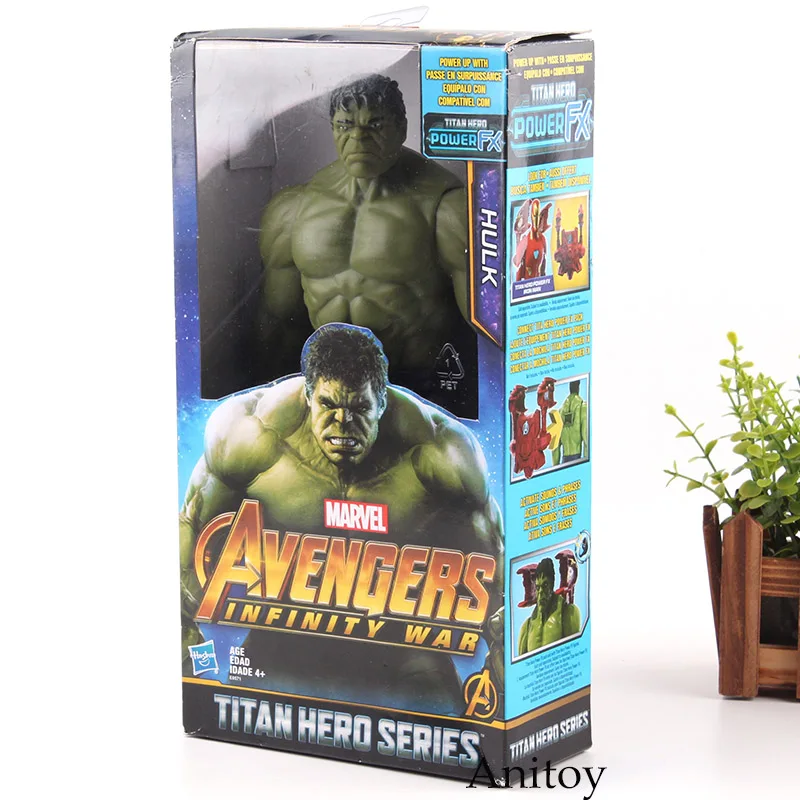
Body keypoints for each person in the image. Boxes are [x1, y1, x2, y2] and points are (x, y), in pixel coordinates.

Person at [180, 324, 502, 713]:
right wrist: (185, 638)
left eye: (360, 408)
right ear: (307, 395)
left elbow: (496, 566)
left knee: (455, 729)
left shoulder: (440, 453)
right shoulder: (248, 437)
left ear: (382, 402)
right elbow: (192, 529)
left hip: (404, 650)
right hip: (281, 638)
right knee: (227, 713)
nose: (343, 422)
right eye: (328, 404)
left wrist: (502, 666)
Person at [257, 75, 471, 391]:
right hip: (327, 386)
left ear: (401, 128)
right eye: (345, 125)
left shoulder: (447, 208)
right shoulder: (293, 208)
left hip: (418, 387)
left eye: (375, 125)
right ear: (332, 128)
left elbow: (485, 332)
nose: (358, 138)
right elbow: (278, 322)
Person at [517, 558, 581, 655]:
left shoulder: (568, 613)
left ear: (552, 585)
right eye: (538, 587)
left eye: (545, 585)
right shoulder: (526, 627)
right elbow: (522, 662)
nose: (541, 593)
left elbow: (574, 652)